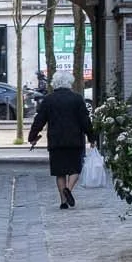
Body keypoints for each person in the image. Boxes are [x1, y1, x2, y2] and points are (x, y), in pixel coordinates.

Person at [27, 70, 93, 210]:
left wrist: (32, 137)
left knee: (60, 172)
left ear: (54, 83)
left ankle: (63, 202)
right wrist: (92, 137)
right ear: (70, 82)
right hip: (75, 140)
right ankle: (68, 189)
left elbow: (39, 120)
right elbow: (85, 120)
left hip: (56, 140)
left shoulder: (48, 100)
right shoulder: (77, 99)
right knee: (75, 168)